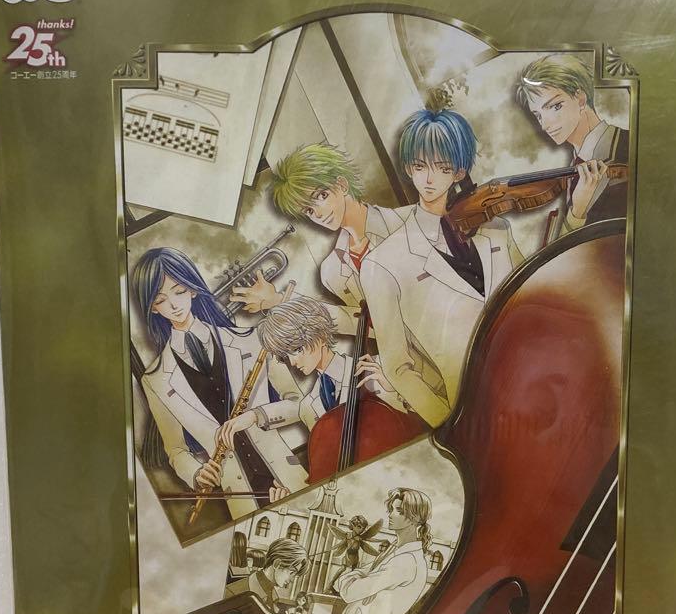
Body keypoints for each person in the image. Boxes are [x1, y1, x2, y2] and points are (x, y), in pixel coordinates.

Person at [357, 108, 524, 426]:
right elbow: (398, 367)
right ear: (409, 168)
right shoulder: (382, 263)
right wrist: (450, 426)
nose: (429, 178)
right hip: (474, 413)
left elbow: (533, 297)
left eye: (442, 167)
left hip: (539, 381)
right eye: (420, 166)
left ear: (459, 172)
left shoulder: (496, 229)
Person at [131, 247, 307, 520]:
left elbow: (299, 404)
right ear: (153, 308)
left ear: (192, 289)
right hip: (240, 501)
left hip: (289, 477)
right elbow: (176, 450)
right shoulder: (154, 380)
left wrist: (256, 415)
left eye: (179, 291)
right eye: (161, 300)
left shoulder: (252, 338)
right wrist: (197, 473)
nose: (174, 305)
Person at [230, 143, 404, 334]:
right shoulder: (332, 270)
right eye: (309, 210)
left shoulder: (407, 221)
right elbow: (364, 325)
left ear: (342, 185)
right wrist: (278, 301)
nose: (318, 214)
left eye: (321, 195)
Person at [222, 295, 408, 437]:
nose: (292, 362)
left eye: (297, 349)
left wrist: (395, 391)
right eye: (285, 356)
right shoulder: (309, 407)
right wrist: (254, 415)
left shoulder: (377, 369)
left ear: (319, 336)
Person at [515, 53, 629, 234]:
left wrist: (577, 213)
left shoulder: (628, 146)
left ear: (581, 99)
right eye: (538, 115)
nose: (545, 125)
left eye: (555, 106)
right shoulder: (573, 168)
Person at [334, 487, 432, 614]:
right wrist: (359, 580)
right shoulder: (393, 551)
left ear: (414, 518)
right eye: (391, 509)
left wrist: (355, 580)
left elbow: (349, 592)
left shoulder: (407, 561)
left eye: (399, 511)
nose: (391, 515)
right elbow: (353, 579)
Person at [223, 538, 308, 614]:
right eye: (291, 572)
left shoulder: (274, 599)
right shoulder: (234, 593)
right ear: (277, 564)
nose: (291, 579)